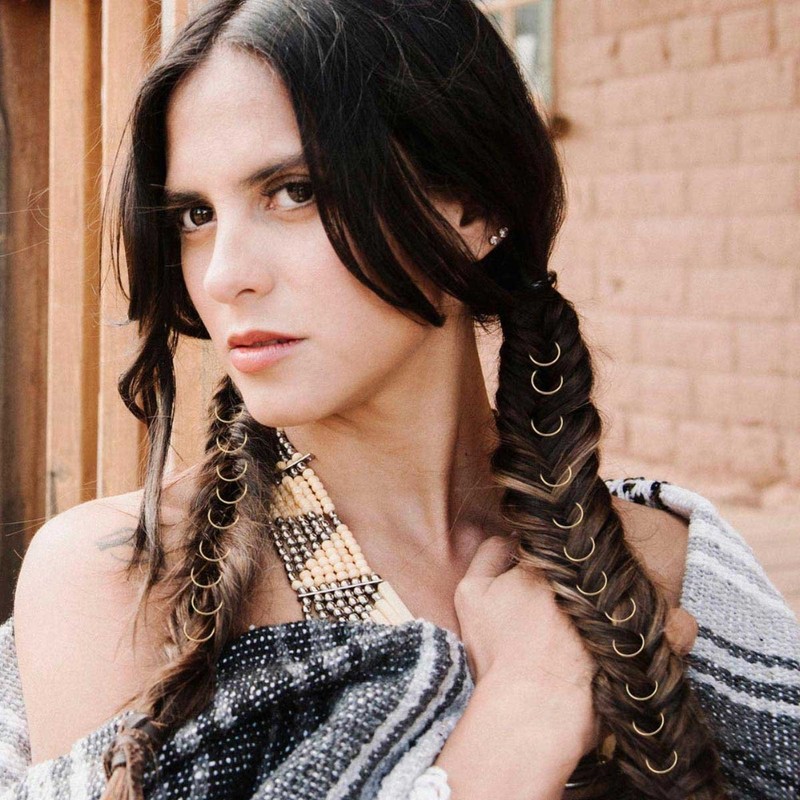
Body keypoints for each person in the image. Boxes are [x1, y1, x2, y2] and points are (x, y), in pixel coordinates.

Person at [1, 1, 798, 798]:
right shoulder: (125, 582)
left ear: (473, 208)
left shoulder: (671, 567)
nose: (224, 274)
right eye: (196, 215)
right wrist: (525, 710)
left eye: (294, 191)